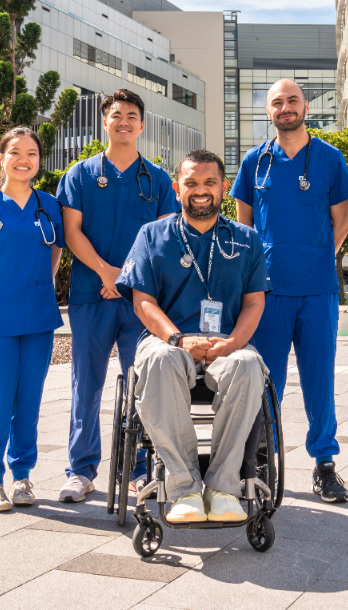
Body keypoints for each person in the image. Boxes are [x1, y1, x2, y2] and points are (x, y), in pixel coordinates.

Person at [115, 149, 270, 522]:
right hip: (169, 339)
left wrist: (233, 343)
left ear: (224, 187)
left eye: (209, 182)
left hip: (226, 342)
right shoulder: (152, 236)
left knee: (250, 365)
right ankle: (183, 486)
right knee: (157, 360)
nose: (200, 190)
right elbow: (143, 303)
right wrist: (177, 340)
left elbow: (254, 303)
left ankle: (223, 487)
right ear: (177, 188)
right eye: (191, 183)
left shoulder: (247, 239)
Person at [232, 79, 348, 503]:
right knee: (267, 381)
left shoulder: (330, 158)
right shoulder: (254, 162)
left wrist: (318, 255)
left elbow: (342, 220)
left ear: (306, 106)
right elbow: (244, 226)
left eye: (292, 100)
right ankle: (262, 459)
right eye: (277, 102)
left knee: (320, 380)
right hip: (268, 291)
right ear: (269, 111)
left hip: (317, 289)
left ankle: (324, 464)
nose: (285, 107)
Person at [56, 89, 179, 502]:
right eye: (115, 115)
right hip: (92, 294)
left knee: (143, 385)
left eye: (131, 115)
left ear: (142, 125)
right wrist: (106, 272)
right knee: (85, 385)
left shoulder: (159, 180)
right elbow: (71, 231)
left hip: (140, 301)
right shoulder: (79, 175)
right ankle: (81, 470)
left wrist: (125, 278)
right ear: (104, 123)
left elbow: (163, 241)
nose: (123, 121)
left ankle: (138, 470)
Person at [0, 127, 65, 512]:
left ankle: (22, 476)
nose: (24, 159)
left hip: (38, 314)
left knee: (30, 399)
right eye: (16, 152)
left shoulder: (48, 205)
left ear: (39, 160)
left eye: (32, 153)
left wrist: (41, 284)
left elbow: (55, 252)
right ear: (1, 158)